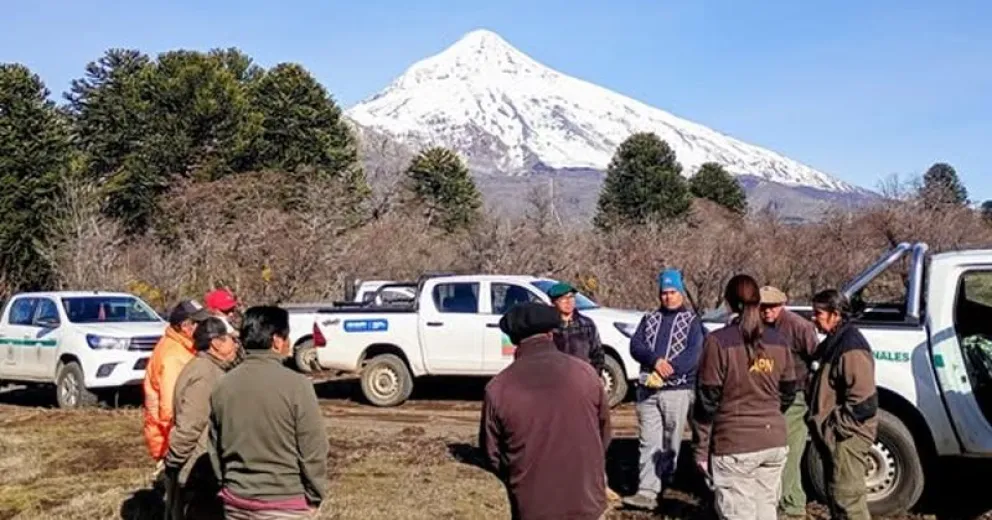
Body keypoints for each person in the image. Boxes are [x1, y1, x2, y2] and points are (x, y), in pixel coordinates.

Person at [480, 302, 612, 520]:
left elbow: (493, 455)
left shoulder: (498, 389)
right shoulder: (585, 374)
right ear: (551, 334)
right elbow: (604, 434)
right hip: (588, 502)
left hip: (533, 506)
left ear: (513, 340)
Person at [693, 275, 798, 520]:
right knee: (766, 512)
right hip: (773, 441)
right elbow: (789, 392)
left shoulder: (718, 342)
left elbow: (707, 400)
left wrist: (700, 448)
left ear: (728, 303)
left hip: (735, 444)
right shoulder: (779, 341)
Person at [208, 306, 329, 519]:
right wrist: (315, 494)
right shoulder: (297, 385)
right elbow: (313, 447)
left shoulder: (222, 385)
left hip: (236, 500)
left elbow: (214, 446)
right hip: (284, 502)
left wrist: (227, 484)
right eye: (287, 336)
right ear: (277, 341)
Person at [622, 268, 705, 512]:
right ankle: (647, 491)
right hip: (648, 388)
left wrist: (671, 369)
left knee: (671, 440)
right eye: (664, 293)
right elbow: (636, 345)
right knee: (648, 440)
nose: (668, 297)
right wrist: (655, 360)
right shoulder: (649, 318)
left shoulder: (692, 322)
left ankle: (666, 481)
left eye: (672, 292)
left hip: (677, 390)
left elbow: (694, 353)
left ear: (681, 293)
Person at [807, 289, 878, 520]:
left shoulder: (851, 347)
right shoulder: (834, 342)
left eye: (818, 313)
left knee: (848, 500)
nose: (813, 318)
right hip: (838, 437)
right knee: (837, 498)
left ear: (835, 314)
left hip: (847, 438)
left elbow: (864, 402)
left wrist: (833, 429)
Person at [164, 317, 240, 520]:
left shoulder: (208, 368)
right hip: (199, 469)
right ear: (216, 343)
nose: (235, 344)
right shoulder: (206, 375)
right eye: (231, 339)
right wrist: (174, 462)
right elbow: (190, 424)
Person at [759, 286, 820, 519]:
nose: (767, 312)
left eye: (772, 307)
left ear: (782, 305)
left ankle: (793, 504)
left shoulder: (799, 327)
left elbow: (816, 359)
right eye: (763, 307)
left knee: (790, 452)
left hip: (795, 397)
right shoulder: (757, 326)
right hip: (767, 396)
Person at [144, 300, 211, 471]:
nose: (206, 327)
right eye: (201, 323)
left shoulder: (182, 347)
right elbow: (171, 410)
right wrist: (180, 449)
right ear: (186, 326)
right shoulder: (174, 358)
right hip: (171, 443)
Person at [546, 282, 606, 377]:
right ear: (554, 302)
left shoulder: (586, 324)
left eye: (571, 297)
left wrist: (594, 376)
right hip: (557, 380)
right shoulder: (547, 326)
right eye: (563, 299)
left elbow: (598, 354)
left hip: (582, 379)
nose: (568, 302)